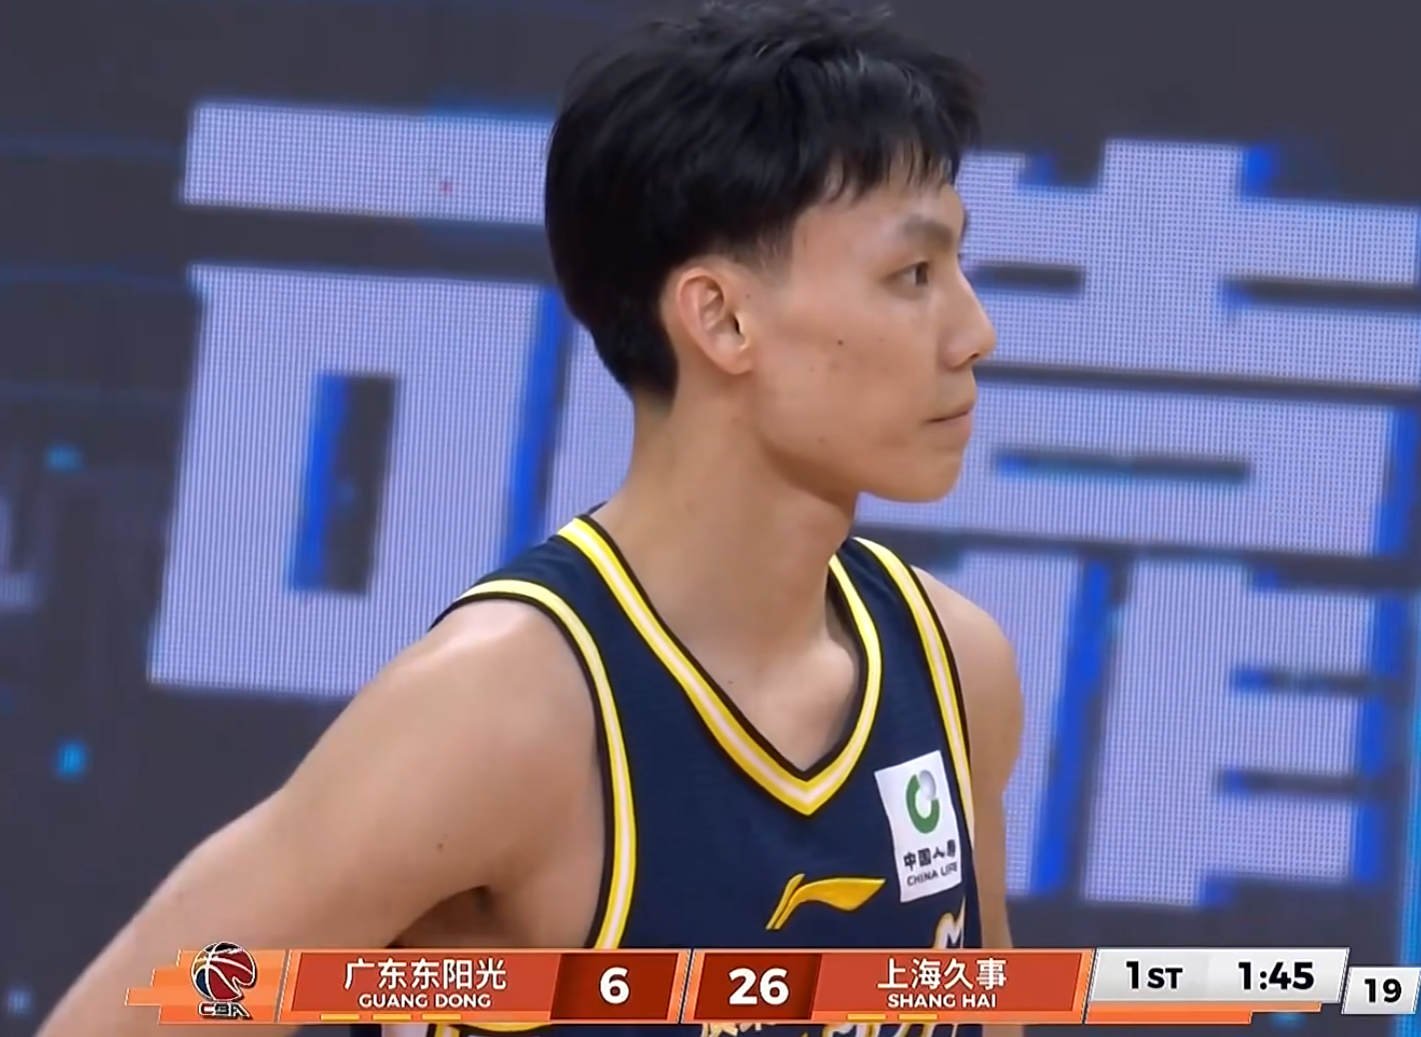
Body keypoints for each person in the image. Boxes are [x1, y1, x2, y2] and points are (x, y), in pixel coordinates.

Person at [39, 1, 1021, 1036]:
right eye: (912, 276)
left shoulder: (954, 667)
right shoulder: (503, 710)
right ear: (720, 316)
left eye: (957, 267)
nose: (973, 332)